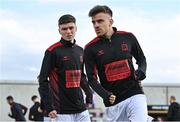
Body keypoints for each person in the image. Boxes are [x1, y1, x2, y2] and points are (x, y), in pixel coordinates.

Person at [84, 5, 148, 121]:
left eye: (100, 21)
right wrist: (105, 95)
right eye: (93, 22)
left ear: (110, 21)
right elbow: (91, 78)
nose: (96, 25)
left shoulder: (128, 37)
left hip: (135, 93)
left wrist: (141, 71)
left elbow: (141, 59)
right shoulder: (90, 48)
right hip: (113, 102)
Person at [38, 14, 93, 122]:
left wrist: (89, 93)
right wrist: (49, 106)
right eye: (64, 29)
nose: (68, 31)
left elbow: (81, 76)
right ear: (59, 30)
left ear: (76, 28)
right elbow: (43, 80)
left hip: (81, 109)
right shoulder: (52, 51)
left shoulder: (80, 51)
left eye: (71, 28)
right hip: (61, 112)